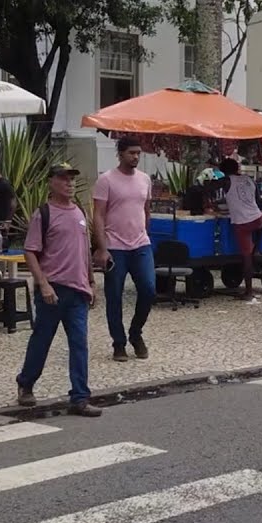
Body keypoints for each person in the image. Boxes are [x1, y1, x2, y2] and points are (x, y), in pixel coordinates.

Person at [15, 163, 101, 416]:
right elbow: (30, 251)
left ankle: (80, 397)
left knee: (79, 344)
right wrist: (43, 284)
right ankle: (26, 382)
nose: (70, 183)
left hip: (78, 292)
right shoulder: (43, 214)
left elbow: (85, 250)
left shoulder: (80, 213)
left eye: (73, 179)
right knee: (42, 340)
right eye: (64, 179)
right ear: (51, 182)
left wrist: (92, 281)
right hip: (52, 290)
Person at [92, 137, 156, 362]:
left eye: (138, 153)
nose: (136, 157)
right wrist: (102, 248)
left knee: (149, 289)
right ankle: (118, 343)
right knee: (114, 296)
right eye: (131, 153)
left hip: (140, 245)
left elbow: (146, 210)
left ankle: (135, 333)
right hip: (115, 246)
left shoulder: (145, 179)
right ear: (119, 153)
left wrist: (145, 233)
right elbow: (98, 215)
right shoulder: (106, 180)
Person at [220, 158, 262, 301]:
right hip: (257, 218)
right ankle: (257, 248)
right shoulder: (249, 179)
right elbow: (258, 200)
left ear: (224, 170)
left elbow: (208, 188)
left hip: (242, 223)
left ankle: (248, 291)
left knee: (246, 258)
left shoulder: (226, 180)